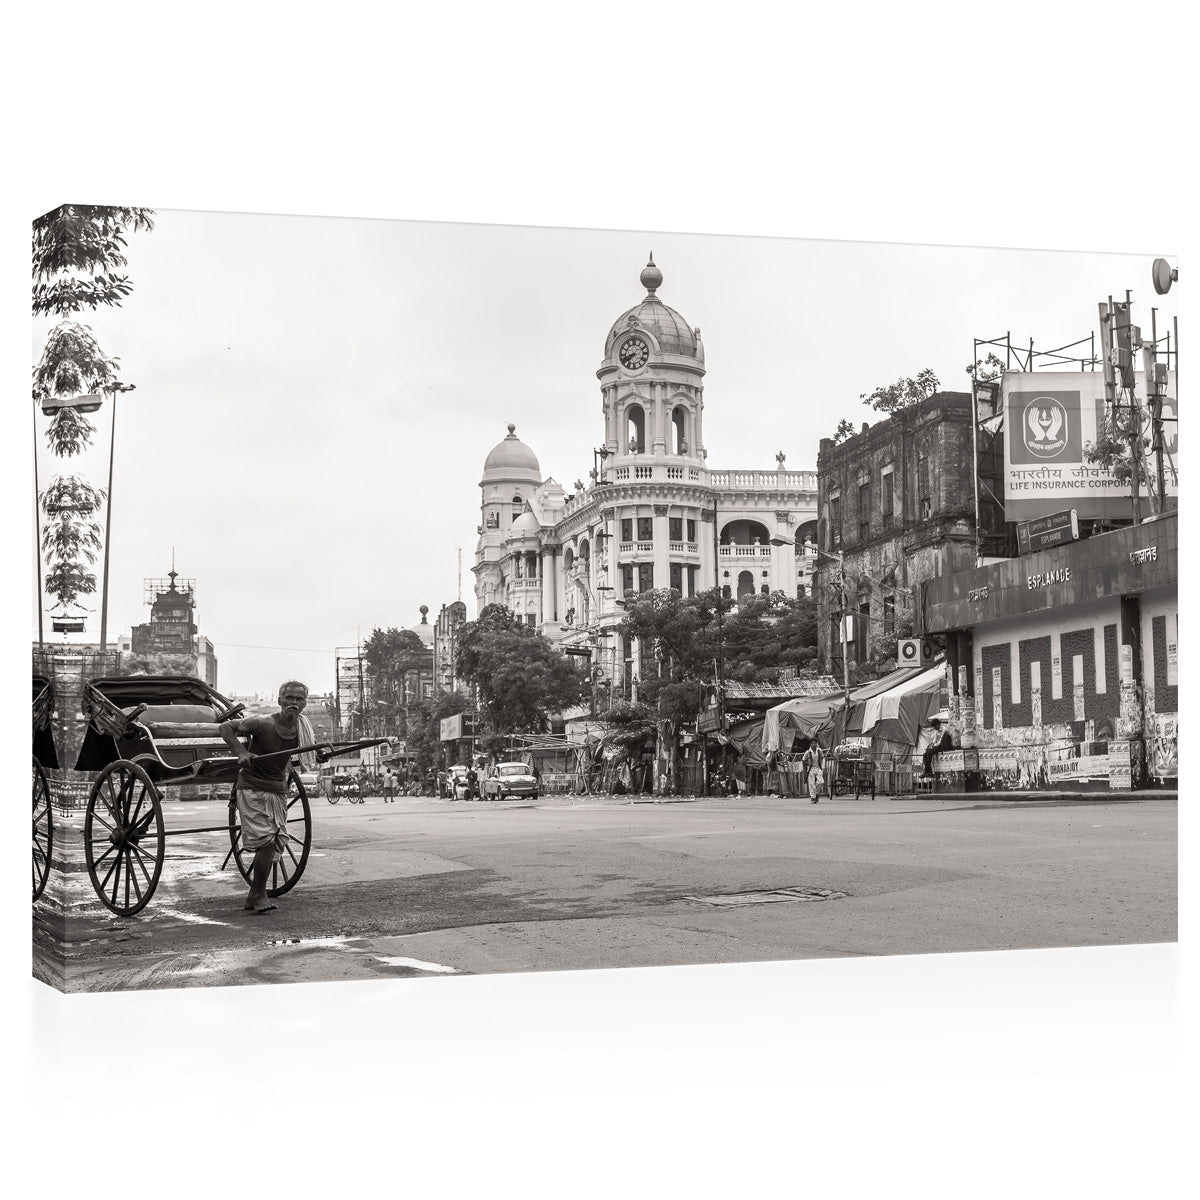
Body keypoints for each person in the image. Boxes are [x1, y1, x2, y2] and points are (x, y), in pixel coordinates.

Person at [220, 680, 315, 914]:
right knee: (267, 841)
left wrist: (318, 755)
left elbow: (310, 753)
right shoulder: (262, 723)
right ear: (280, 700)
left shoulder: (303, 728)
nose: (294, 703)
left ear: (304, 703)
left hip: (277, 788)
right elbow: (225, 728)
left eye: (299, 699)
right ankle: (259, 894)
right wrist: (241, 752)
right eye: (289, 698)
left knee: (275, 839)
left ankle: (254, 894)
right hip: (251, 786)